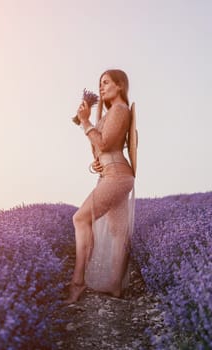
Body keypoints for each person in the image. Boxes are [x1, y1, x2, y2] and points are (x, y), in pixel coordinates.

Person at [65, 69, 136, 304]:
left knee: (80, 219)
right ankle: (116, 287)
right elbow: (102, 148)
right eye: (100, 84)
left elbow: (104, 143)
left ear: (120, 85)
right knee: (118, 232)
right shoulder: (110, 113)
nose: (101, 87)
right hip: (115, 174)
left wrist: (85, 121)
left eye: (106, 83)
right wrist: (97, 162)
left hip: (116, 177)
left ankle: (78, 282)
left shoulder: (119, 109)